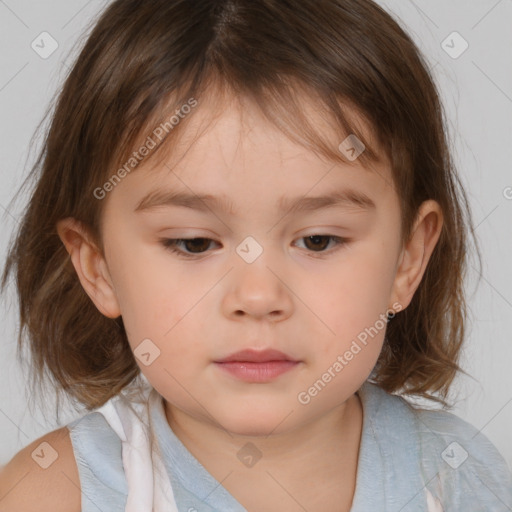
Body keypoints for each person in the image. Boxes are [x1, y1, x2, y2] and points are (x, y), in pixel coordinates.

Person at [1, 0, 511, 510]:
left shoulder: (456, 477)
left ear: (408, 258)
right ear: (98, 267)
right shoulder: (53, 494)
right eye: (194, 243)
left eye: (318, 240)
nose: (259, 296)